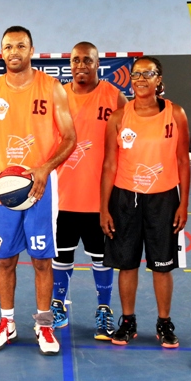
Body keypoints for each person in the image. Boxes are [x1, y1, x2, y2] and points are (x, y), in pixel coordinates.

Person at [0, 26, 77, 356]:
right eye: (8, 47)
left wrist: (45, 168)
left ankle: (44, 324)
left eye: (20, 46)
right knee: (5, 260)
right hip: (4, 190)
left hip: (40, 189)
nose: (14, 51)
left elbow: (70, 137)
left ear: (32, 50)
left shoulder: (51, 88)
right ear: (1, 52)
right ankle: (7, 323)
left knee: (41, 260)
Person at [100, 55, 190, 348]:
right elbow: (109, 165)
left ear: (158, 79)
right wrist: (104, 208)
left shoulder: (176, 114)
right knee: (127, 265)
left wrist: (184, 203)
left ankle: (164, 322)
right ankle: (128, 321)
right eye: (136, 74)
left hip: (164, 199)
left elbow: (183, 161)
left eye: (147, 74)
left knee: (162, 266)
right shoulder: (119, 117)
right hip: (125, 199)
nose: (140, 79)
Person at [51, 42, 127, 339]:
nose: (81, 65)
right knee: (61, 257)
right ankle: (58, 306)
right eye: (75, 60)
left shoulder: (114, 96)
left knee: (101, 259)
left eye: (87, 60)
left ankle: (104, 310)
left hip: (99, 199)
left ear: (97, 64)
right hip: (62, 196)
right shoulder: (58, 95)